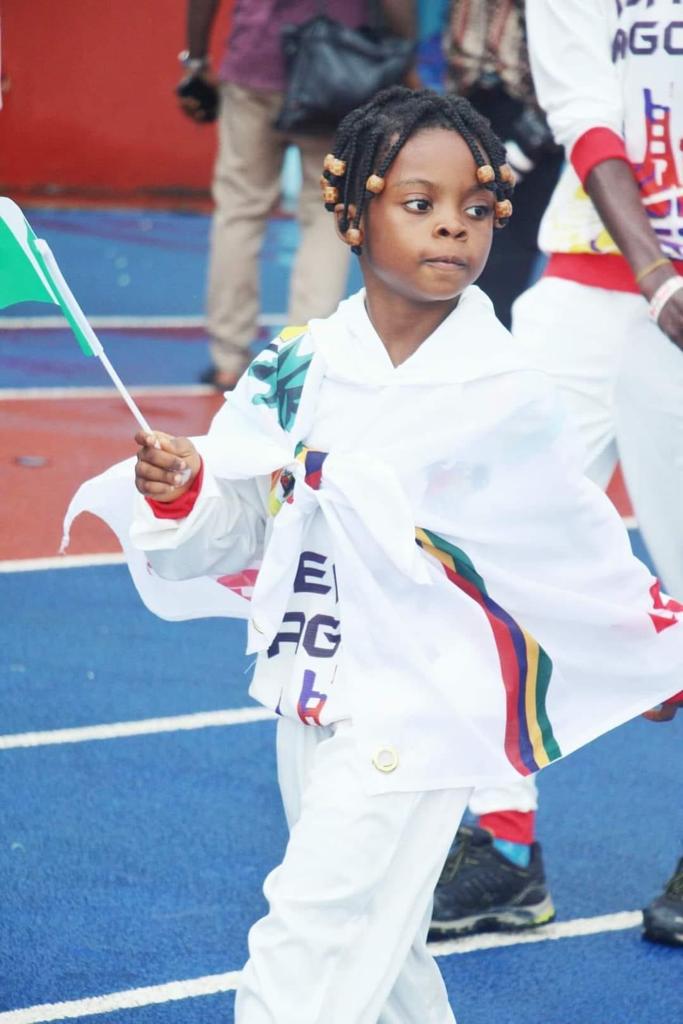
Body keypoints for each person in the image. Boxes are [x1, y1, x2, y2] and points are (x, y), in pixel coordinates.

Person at [66, 87, 683, 1021]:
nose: (452, 231)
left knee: (305, 950)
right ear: (353, 214)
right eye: (418, 204)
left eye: (475, 212)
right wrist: (189, 490)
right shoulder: (296, 365)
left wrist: (647, 638)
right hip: (311, 690)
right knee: (385, 963)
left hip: (421, 709)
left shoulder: (503, 386)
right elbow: (242, 530)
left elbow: (564, 536)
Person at [432, 0, 683, 947]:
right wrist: (658, 272)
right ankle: (501, 846)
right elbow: (585, 109)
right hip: (593, 278)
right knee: (474, 546)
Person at [177, 0, 417, 390]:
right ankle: (302, 360)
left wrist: (197, 59)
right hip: (340, 68)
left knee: (240, 211)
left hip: (255, 63)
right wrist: (404, 56)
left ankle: (227, 357)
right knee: (326, 212)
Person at [442, 0, 562, 328]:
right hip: (469, 106)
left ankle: (489, 350)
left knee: (507, 252)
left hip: (533, 114)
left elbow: (567, 61)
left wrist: (530, 142)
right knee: (457, 240)